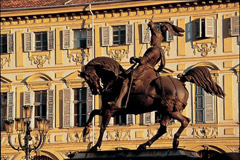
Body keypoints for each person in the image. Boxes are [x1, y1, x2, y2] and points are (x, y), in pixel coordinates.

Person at [110, 20, 184, 108]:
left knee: (126, 81)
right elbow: (162, 64)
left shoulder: (154, 50)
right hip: (151, 70)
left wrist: (135, 59)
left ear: (156, 39)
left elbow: (143, 61)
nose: (151, 40)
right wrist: (152, 26)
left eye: (152, 38)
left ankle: (118, 102)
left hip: (144, 69)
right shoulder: (160, 50)